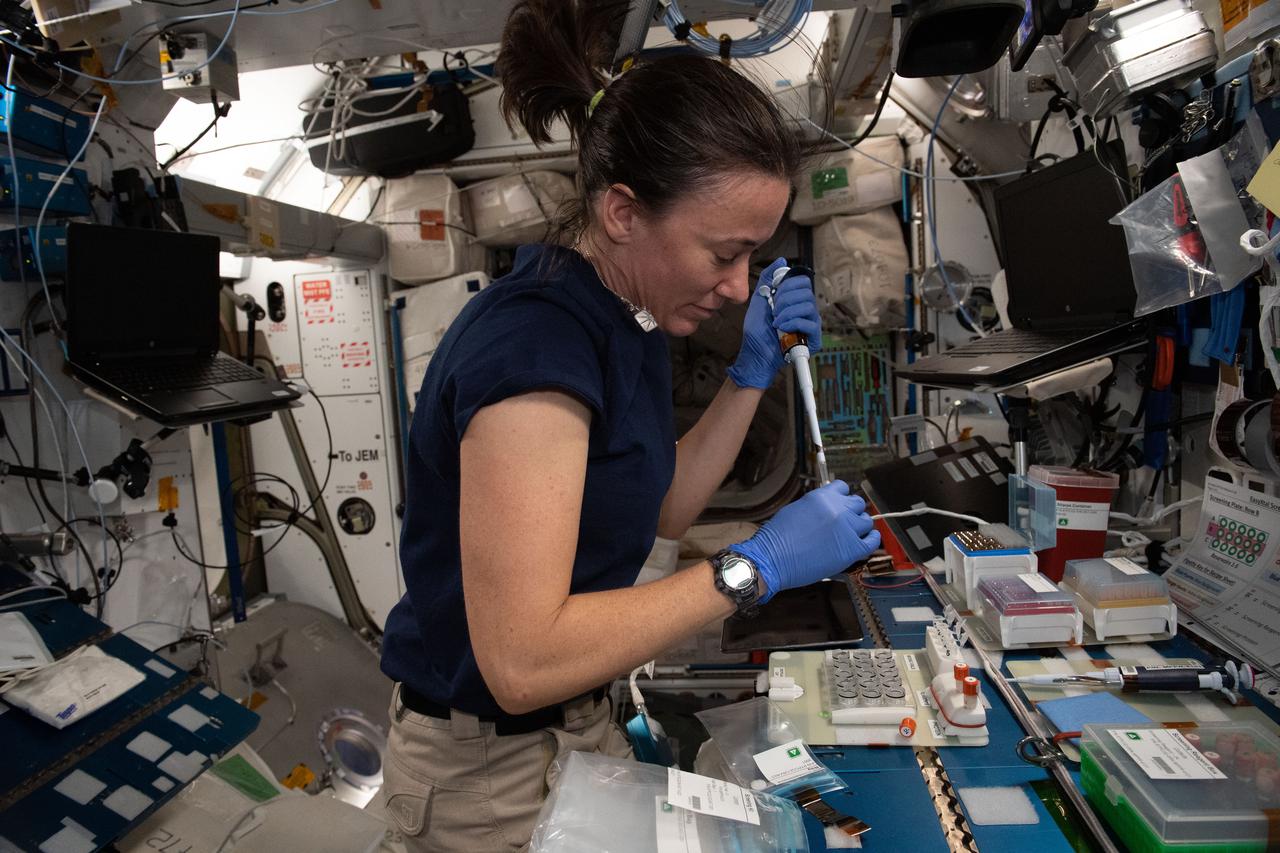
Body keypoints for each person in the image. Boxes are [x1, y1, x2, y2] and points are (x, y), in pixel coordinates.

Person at [375, 1, 881, 849]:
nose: (738, 284)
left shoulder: (630, 320)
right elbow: (522, 659)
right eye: (723, 252)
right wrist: (754, 567)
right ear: (622, 213)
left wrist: (750, 373)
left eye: (753, 255)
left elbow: (660, 505)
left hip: (573, 729)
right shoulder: (535, 347)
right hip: (488, 779)